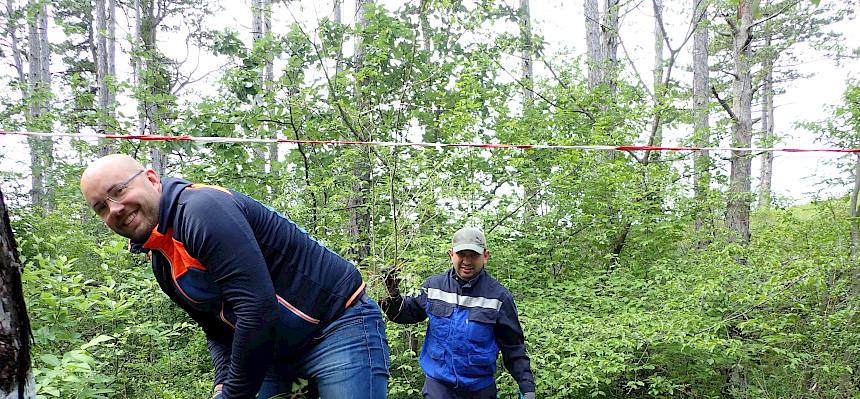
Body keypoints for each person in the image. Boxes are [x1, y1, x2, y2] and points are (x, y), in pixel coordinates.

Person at [79, 154, 389, 399]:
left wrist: (234, 395)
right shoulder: (162, 261)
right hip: (272, 350)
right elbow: (217, 329)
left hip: (337, 327)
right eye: (101, 208)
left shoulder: (201, 210)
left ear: (151, 179)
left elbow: (256, 312)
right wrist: (222, 385)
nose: (115, 209)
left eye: (118, 191)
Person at [379, 227, 535, 399]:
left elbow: (513, 347)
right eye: (462, 254)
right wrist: (392, 296)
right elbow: (403, 314)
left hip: (480, 389)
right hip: (439, 387)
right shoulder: (433, 287)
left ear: (485, 256)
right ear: (451, 254)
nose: (467, 261)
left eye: (473, 255)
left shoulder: (499, 297)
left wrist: (527, 388)